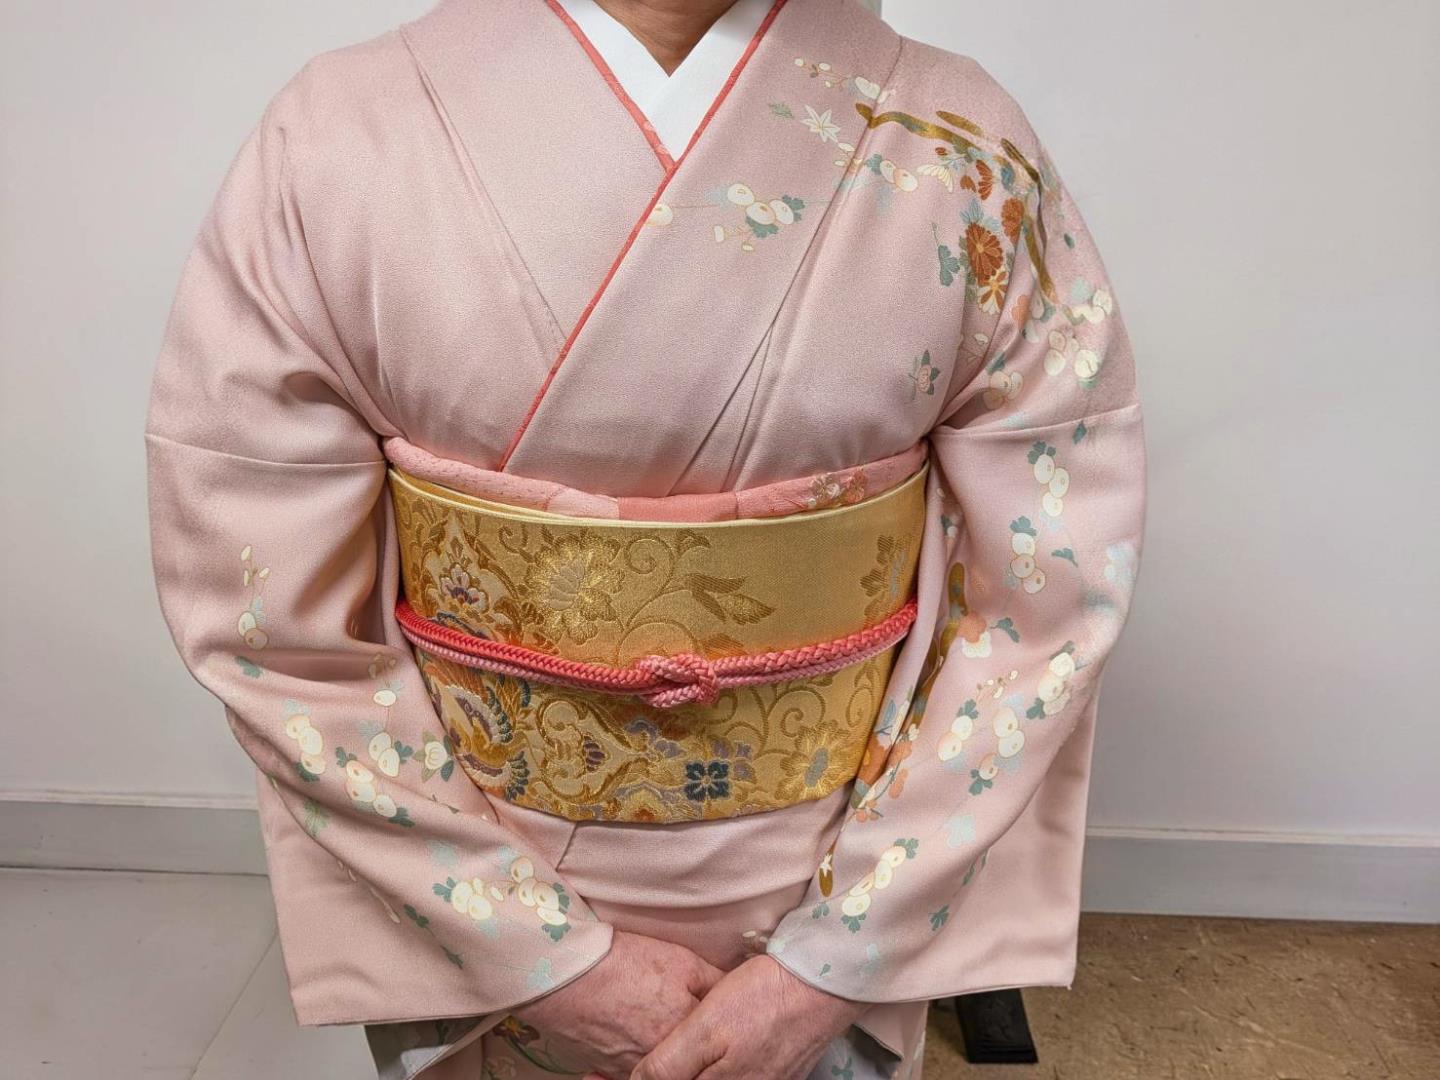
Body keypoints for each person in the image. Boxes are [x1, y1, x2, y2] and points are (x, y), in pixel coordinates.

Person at [143, 0, 1147, 1076]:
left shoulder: (960, 142)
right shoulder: (339, 135)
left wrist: (836, 955)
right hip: (478, 885)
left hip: (831, 879)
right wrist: (539, 955)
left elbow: (1048, 591)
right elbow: (266, 606)